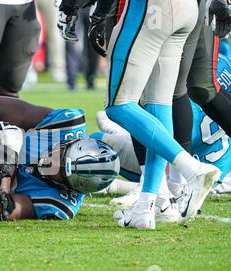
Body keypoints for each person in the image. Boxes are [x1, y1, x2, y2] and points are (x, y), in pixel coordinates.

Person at [58, 0, 222, 230]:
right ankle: (149, 206)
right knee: (159, 104)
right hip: (187, 9)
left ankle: (192, 169)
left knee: (118, 104)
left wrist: (76, 8)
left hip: (150, 9)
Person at [92, 53, 231, 223]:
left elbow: (166, 136)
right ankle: (156, 193)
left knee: (123, 106)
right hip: (219, 165)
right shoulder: (217, 64)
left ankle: (156, 195)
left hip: (182, 162)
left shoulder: (181, 70)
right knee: (104, 134)